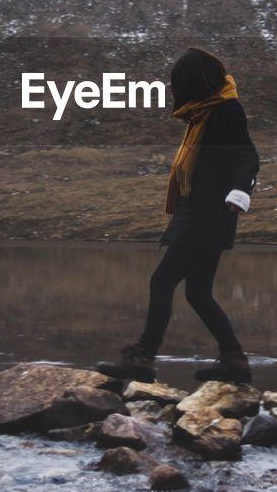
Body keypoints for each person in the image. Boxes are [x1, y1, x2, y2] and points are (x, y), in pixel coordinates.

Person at [97, 47, 260, 384]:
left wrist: (239, 191)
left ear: (194, 83)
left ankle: (143, 356)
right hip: (202, 211)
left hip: (209, 213)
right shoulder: (204, 114)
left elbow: (247, 154)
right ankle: (234, 360)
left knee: (162, 281)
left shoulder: (225, 110)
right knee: (197, 292)